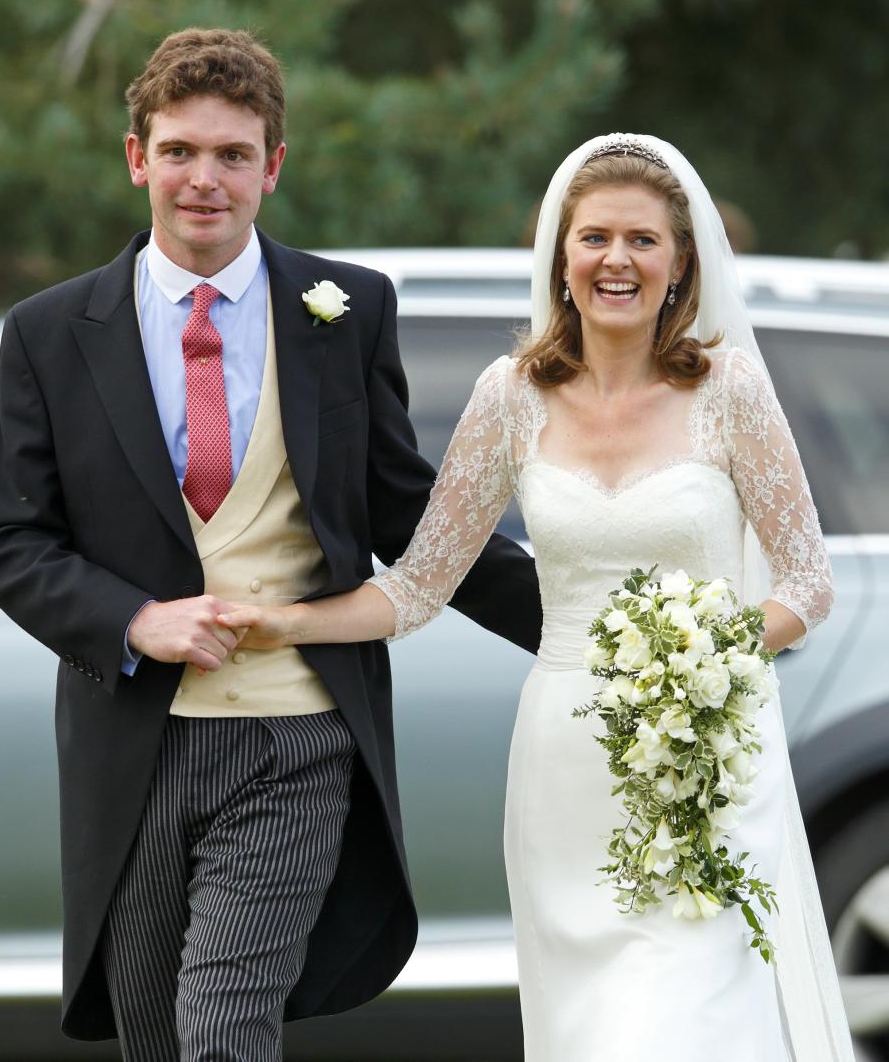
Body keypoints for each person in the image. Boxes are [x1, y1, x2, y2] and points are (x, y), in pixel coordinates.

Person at [0, 27, 542, 1062]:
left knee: (225, 1027)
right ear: (136, 157)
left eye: (233, 155)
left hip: (299, 734)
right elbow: (10, 540)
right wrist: (134, 617)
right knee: (155, 1034)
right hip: (132, 743)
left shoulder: (347, 309)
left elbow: (409, 515)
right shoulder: (50, 333)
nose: (205, 180)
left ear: (272, 168)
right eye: (181, 151)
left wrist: (595, 624)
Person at [223, 134, 855, 1060]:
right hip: (567, 763)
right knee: (594, 1028)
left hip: (710, 765)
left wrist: (714, 653)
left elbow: (808, 581)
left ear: (680, 263)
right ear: (561, 259)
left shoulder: (732, 389)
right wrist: (285, 622)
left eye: (643, 240)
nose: (618, 260)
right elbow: (419, 583)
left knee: (693, 1021)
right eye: (594, 237)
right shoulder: (509, 396)